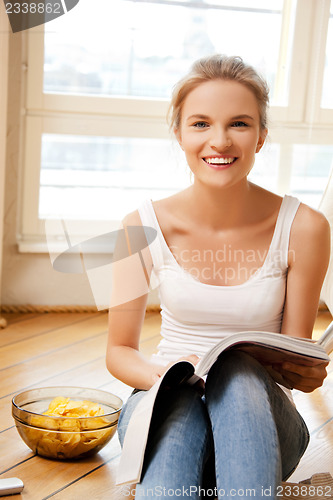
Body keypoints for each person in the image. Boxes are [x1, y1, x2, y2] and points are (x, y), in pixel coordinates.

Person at [106, 55, 330, 498]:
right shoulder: (138, 226)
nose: (220, 141)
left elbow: (293, 361)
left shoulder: (306, 226)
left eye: (240, 124)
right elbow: (118, 351)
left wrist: (305, 371)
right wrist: (167, 375)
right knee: (182, 400)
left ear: (262, 137)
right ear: (180, 134)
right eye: (201, 124)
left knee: (239, 370)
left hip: (263, 423)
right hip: (165, 400)